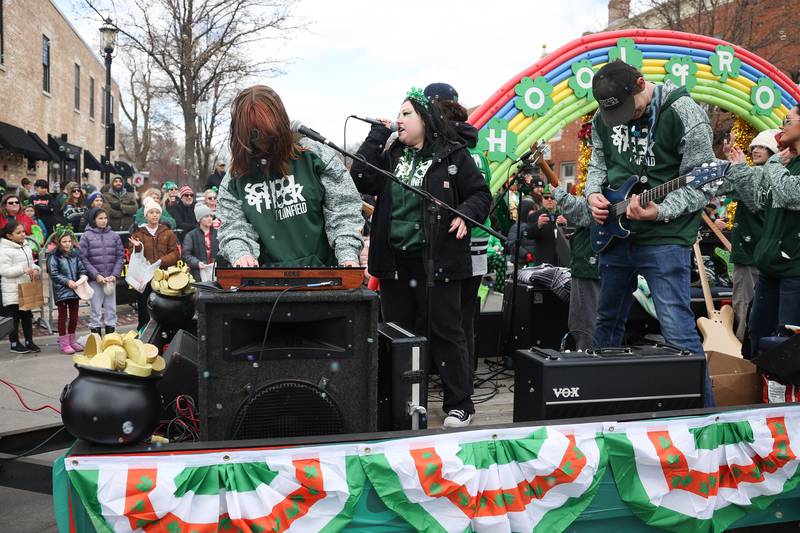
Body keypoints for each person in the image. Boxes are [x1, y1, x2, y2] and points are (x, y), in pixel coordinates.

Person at [351, 87, 491, 428]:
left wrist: (464, 212)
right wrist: (376, 135)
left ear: (425, 120)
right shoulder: (392, 155)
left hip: (436, 261)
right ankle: (403, 402)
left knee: (446, 331)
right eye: (397, 114)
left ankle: (460, 403)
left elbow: (480, 194)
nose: (398, 120)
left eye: (406, 114)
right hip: (395, 262)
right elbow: (360, 177)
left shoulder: (453, 155)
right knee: (399, 333)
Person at [585, 60, 718, 406]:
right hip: (615, 233)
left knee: (677, 328)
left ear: (642, 83)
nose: (626, 118)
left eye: (631, 109)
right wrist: (592, 194)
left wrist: (661, 210)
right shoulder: (604, 117)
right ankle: (602, 404)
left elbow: (703, 185)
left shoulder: (685, 114)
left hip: (665, 237)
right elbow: (598, 163)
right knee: (607, 321)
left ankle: (704, 417)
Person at [217, 85, 363, 269]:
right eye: (254, 133)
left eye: (267, 131)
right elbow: (232, 227)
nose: (262, 139)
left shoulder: (314, 156)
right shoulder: (235, 178)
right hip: (265, 282)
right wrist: (241, 253)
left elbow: (344, 210)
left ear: (279, 124)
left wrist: (347, 254)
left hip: (323, 275)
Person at [426, 81, 493, 372]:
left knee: (448, 315)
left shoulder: (447, 148)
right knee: (466, 313)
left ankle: (452, 374)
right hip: (478, 240)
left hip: (456, 239)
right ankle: (466, 373)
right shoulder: (476, 149)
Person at [723, 107, 800, 357]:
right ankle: (760, 392)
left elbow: (792, 194)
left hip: (795, 271)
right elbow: (757, 201)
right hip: (770, 267)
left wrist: (775, 162)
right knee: (758, 337)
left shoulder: (779, 163)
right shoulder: (785, 163)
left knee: (787, 344)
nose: (781, 125)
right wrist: (738, 169)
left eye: (788, 120)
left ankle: (785, 397)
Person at [720, 129, 779, 343]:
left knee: (751, 307)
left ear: (774, 151)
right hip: (747, 253)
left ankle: (746, 352)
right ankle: (741, 349)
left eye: (762, 147)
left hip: (761, 252)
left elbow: (755, 200)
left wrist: (739, 168)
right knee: (742, 305)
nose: (755, 150)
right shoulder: (747, 172)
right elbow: (722, 187)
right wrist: (729, 163)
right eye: (753, 147)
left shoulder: (772, 176)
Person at [128, 198, 179, 330]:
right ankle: (143, 332)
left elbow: (175, 253)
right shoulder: (138, 234)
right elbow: (132, 254)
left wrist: (162, 261)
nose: (155, 215)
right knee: (144, 308)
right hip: (145, 279)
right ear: (146, 215)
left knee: (164, 306)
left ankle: (164, 332)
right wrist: (138, 247)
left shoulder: (168, 233)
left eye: (157, 212)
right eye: (151, 212)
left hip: (163, 277)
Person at [79, 207, 125, 336]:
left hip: (110, 279)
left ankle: (111, 338)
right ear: (94, 219)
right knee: (96, 309)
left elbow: (120, 256)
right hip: (95, 280)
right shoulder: (86, 236)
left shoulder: (114, 236)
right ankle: (96, 338)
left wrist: (114, 275)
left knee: (111, 309)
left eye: (105, 218)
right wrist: (96, 275)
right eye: (100, 218)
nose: (103, 221)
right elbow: (83, 258)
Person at [0, 221, 41, 353]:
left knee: (27, 316)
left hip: (25, 287)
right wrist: (22, 269)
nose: (23, 234)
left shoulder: (26, 247)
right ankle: (14, 343)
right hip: (12, 289)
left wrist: (35, 269)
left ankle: (29, 341)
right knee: (14, 318)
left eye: (23, 231)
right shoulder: (4, 250)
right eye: (18, 232)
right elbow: (4, 271)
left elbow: (31, 264)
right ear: (9, 236)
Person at [46, 226, 88, 354]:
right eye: (64, 241)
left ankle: (72, 340)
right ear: (59, 242)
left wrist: (82, 275)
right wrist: (67, 282)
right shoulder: (54, 256)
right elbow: (53, 273)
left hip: (75, 289)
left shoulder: (74, 254)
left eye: (69, 241)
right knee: (63, 317)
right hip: (62, 291)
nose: (67, 244)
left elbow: (81, 267)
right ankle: (64, 343)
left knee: (74, 316)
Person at [182, 203, 219, 281]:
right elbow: (186, 255)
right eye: (206, 216)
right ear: (199, 219)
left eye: (211, 216)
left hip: (217, 272)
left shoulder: (218, 234)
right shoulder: (191, 235)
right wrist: (197, 263)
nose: (209, 219)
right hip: (198, 274)